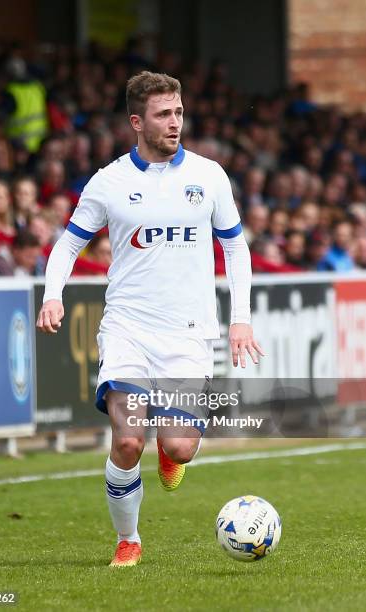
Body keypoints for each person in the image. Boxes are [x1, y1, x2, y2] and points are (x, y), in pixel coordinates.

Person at [36, 71, 262, 567]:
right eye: (163, 114)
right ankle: (129, 539)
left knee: (179, 447)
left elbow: (236, 248)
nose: (175, 122)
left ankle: (170, 451)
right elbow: (69, 243)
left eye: (179, 112)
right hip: (127, 328)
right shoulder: (110, 181)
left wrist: (241, 319)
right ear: (137, 122)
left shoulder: (209, 176)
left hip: (188, 332)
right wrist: (53, 295)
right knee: (128, 439)